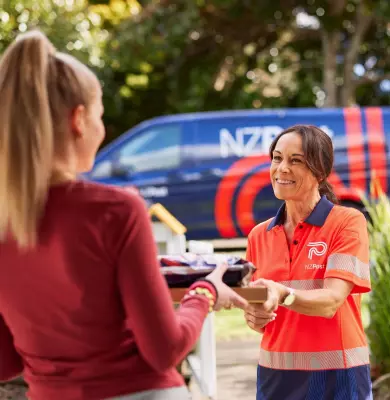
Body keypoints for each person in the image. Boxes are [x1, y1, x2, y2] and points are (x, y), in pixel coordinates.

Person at [0, 31, 248, 400]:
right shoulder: (115, 210)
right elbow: (165, 349)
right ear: (79, 120)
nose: (102, 129)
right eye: (101, 115)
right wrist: (205, 291)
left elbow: (6, 362)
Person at [243, 125, 373, 399]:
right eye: (277, 158)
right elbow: (261, 316)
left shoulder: (347, 222)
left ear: (320, 171)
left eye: (296, 161)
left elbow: (332, 301)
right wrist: (255, 316)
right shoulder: (258, 236)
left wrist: (283, 294)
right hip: (275, 377)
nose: (282, 168)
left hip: (338, 378)